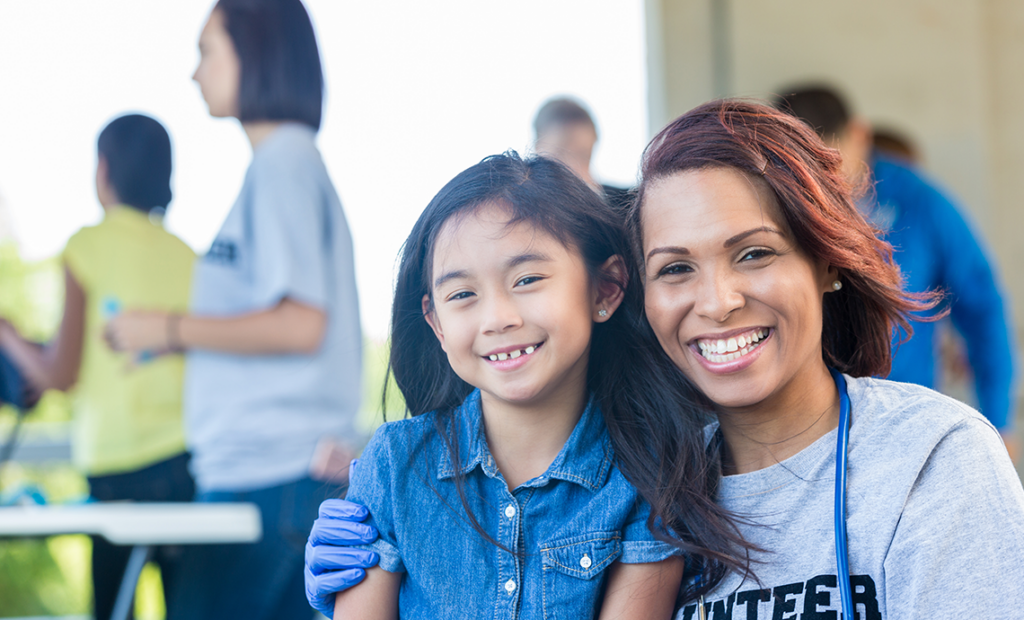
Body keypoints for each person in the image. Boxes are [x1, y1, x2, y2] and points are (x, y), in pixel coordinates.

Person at [306, 100, 1024, 618]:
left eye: (754, 254)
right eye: (676, 269)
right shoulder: (652, 473)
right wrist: (383, 549)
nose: (717, 301)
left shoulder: (931, 460)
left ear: (827, 262)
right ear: (636, 292)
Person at [332, 150, 749, 618]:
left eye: (527, 279)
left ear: (605, 289)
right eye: (463, 294)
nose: (498, 318)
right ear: (437, 323)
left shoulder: (651, 469)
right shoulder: (393, 465)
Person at [104, 1, 362, 617]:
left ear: (257, 49)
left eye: (207, 51)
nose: (196, 73)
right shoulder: (278, 169)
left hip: (273, 483)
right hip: (270, 481)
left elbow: (302, 323)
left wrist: (166, 330)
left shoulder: (285, 167)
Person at [0, 113, 195, 620]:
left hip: (116, 470)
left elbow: (59, 374)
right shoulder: (188, 257)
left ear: (103, 171)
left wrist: (8, 339)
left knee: (113, 609)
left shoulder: (87, 245)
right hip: (184, 465)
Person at [774, 86, 1018, 454]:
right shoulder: (772, 203)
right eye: (806, 170)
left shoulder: (920, 201)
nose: (824, 183)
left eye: (832, 164)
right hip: (799, 428)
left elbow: (982, 306)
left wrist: (998, 418)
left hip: (906, 421)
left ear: (859, 135)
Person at [533, 97, 632, 211]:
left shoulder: (628, 205)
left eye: (583, 156)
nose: (572, 170)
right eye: (559, 155)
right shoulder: (524, 210)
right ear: (537, 150)